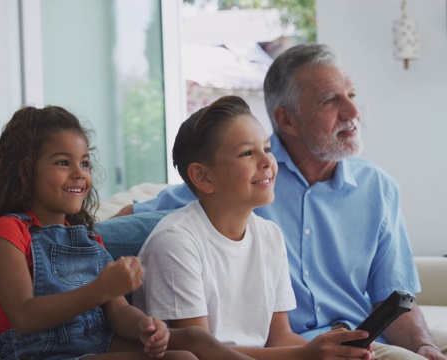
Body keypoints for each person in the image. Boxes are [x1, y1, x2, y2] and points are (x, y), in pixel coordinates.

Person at [114, 44, 447, 360]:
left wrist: (424, 345)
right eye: (330, 100)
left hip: (352, 343)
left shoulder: (374, 189)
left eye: (352, 95)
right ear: (286, 120)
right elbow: (126, 222)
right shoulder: (227, 191)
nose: (353, 112)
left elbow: (391, 295)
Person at [0, 105, 252, 360]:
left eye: (84, 163)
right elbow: (24, 316)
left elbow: (117, 311)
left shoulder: (87, 238)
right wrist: (100, 288)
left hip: (97, 344)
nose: (79, 173)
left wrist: (144, 326)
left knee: (194, 339)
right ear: (24, 169)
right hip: (40, 354)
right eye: (62, 162)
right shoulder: (9, 230)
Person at [132, 95, 374, 359]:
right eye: (247, 153)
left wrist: (327, 352)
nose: (267, 162)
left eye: (267, 149)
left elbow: (279, 337)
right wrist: (306, 356)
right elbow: (199, 352)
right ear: (203, 176)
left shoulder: (270, 235)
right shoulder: (175, 242)